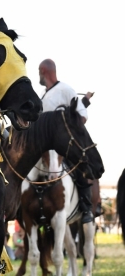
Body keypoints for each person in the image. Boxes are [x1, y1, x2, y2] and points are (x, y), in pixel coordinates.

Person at [38, 58, 100, 223]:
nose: (38, 76)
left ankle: (86, 208)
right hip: (45, 147)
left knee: (79, 167)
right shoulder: (42, 96)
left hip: (63, 145)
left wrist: (66, 133)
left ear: (44, 72)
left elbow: (82, 115)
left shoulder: (65, 90)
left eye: (39, 72)